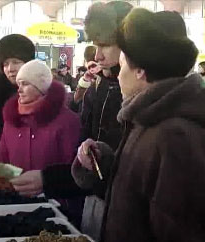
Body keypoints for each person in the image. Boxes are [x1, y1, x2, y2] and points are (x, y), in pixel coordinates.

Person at [73, 9, 205, 242]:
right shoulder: (148, 118)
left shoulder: (174, 136)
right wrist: (104, 162)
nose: (118, 73)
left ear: (140, 71)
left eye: (122, 65)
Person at [10, 1, 132, 234]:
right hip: (95, 207)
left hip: (126, 216)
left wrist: (49, 179)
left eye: (105, 45)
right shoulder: (97, 89)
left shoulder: (136, 96)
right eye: (95, 45)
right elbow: (85, 160)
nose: (97, 55)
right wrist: (49, 179)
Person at [0, 60, 80, 172]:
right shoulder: (12, 119)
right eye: (18, 84)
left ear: (41, 86)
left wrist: (45, 180)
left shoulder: (66, 121)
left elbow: (70, 167)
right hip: (14, 188)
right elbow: (2, 161)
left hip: (51, 188)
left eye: (25, 84)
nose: (19, 90)